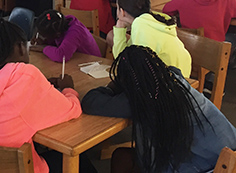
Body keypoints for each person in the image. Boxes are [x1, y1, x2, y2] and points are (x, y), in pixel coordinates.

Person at [0, 17, 86, 173]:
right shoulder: (25, 75)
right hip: (20, 168)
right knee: (82, 161)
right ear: (20, 47)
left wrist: (41, 85)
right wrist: (68, 89)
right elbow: (72, 110)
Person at [81, 45, 236, 173]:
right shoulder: (174, 81)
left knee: (122, 158)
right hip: (228, 158)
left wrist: (112, 88)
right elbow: (175, 70)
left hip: (206, 167)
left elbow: (90, 102)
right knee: (126, 156)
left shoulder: (143, 97)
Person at [110, 0, 191, 77]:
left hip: (171, 82)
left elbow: (124, 63)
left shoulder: (141, 25)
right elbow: (125, 57)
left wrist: (119, 29)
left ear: (122, 11)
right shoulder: (150, 21)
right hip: (181, 76)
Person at [31, 9, 101, 62]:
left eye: (44, 35)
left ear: (57, 34)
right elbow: (59, 42)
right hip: (76, 61)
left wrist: (44, 49)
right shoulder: (60, 24)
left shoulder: (75, 31)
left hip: (93, 66)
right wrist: (45, 42)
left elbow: (62, 56)